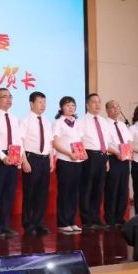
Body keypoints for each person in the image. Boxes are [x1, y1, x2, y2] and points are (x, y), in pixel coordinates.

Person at [0, 88, 23, 238]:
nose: (8, 99)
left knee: (9, 193)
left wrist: (20, 156)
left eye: (10, 96)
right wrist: (2, 156)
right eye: (4, 97)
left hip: (13, 157)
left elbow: (18, 139)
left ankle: (5, 225)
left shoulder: (14, 118)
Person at [20, 92, 54, 235]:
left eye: (44, 102)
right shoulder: (25, 120)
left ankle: (39, 222)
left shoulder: (46, 121)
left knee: (42, 193)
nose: (43, 105)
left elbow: (50, 143)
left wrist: (51, 160)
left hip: (45, 159)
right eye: (40, 102)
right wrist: (24, 161)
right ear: (31, 103)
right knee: (30, 193)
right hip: (31, 158)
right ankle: (28, 224)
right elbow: (20, 141)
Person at [52, 96, 85, 235]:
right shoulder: (58, 123)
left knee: (74, 192)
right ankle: (63, 223)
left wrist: (83, 152)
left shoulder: (77, 122)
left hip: (77, 161)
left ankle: (71, 221)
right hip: (65, 161)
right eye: (67, 105)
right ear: (61, 108)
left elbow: (80, 140)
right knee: (64, 192)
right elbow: (55, 143)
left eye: (73, 105)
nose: (71, 107)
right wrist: (69, 153)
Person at [78, 93, 109, 230]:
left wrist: (106, 158)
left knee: (98, 189)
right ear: (87, 105)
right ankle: (86, 220)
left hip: (102, 156)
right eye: (94, 102)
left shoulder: (103, 121)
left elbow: (105, 141)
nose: (97, 105)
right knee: (87, 188)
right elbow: (79, 140)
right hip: (88, 156)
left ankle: (96, 217)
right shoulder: (82, 121)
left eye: (99, 102)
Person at [104, 100, 132, 227]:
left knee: (123, 189)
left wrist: (129, 152)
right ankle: (110, 218)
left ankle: (119, 217)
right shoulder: (104, 124)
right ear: (107, 110)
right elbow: (104, 144)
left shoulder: (122, 125)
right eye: (113, 107)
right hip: (112, 158)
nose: (116, 110)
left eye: (118, 107)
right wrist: (117, 152)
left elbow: (128, 141)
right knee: (112, 188)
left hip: (125, 159)